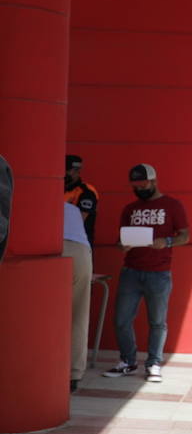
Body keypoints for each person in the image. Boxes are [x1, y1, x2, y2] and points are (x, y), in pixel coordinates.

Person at [103, 164, 190, 382]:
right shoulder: (129, 209)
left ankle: (153, 364)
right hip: (130, 270)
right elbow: (119, 239)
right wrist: (122, 245)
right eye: (135, 185)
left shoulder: (172, 205)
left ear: (154, 181)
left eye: (142, 184)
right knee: (121, 320)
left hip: (159, 273)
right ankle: (128, 361)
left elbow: (185, 236)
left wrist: (167, 241)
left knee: (157, 321)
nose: (139, 189)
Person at [62, 201, 94, 391]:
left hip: (55, 247)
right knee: (79, 315)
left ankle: (48, 368)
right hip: (82, 251)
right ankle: (73, 374)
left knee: (45, 315)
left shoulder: (32, 200)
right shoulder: (72, 208)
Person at [64, 153, 99, 245]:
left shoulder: (87, 191)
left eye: (67, 170)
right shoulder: (57, 189)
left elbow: (78, 221)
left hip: (80, 244)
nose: (64, 173)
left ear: (77, 171)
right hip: (59, 241)